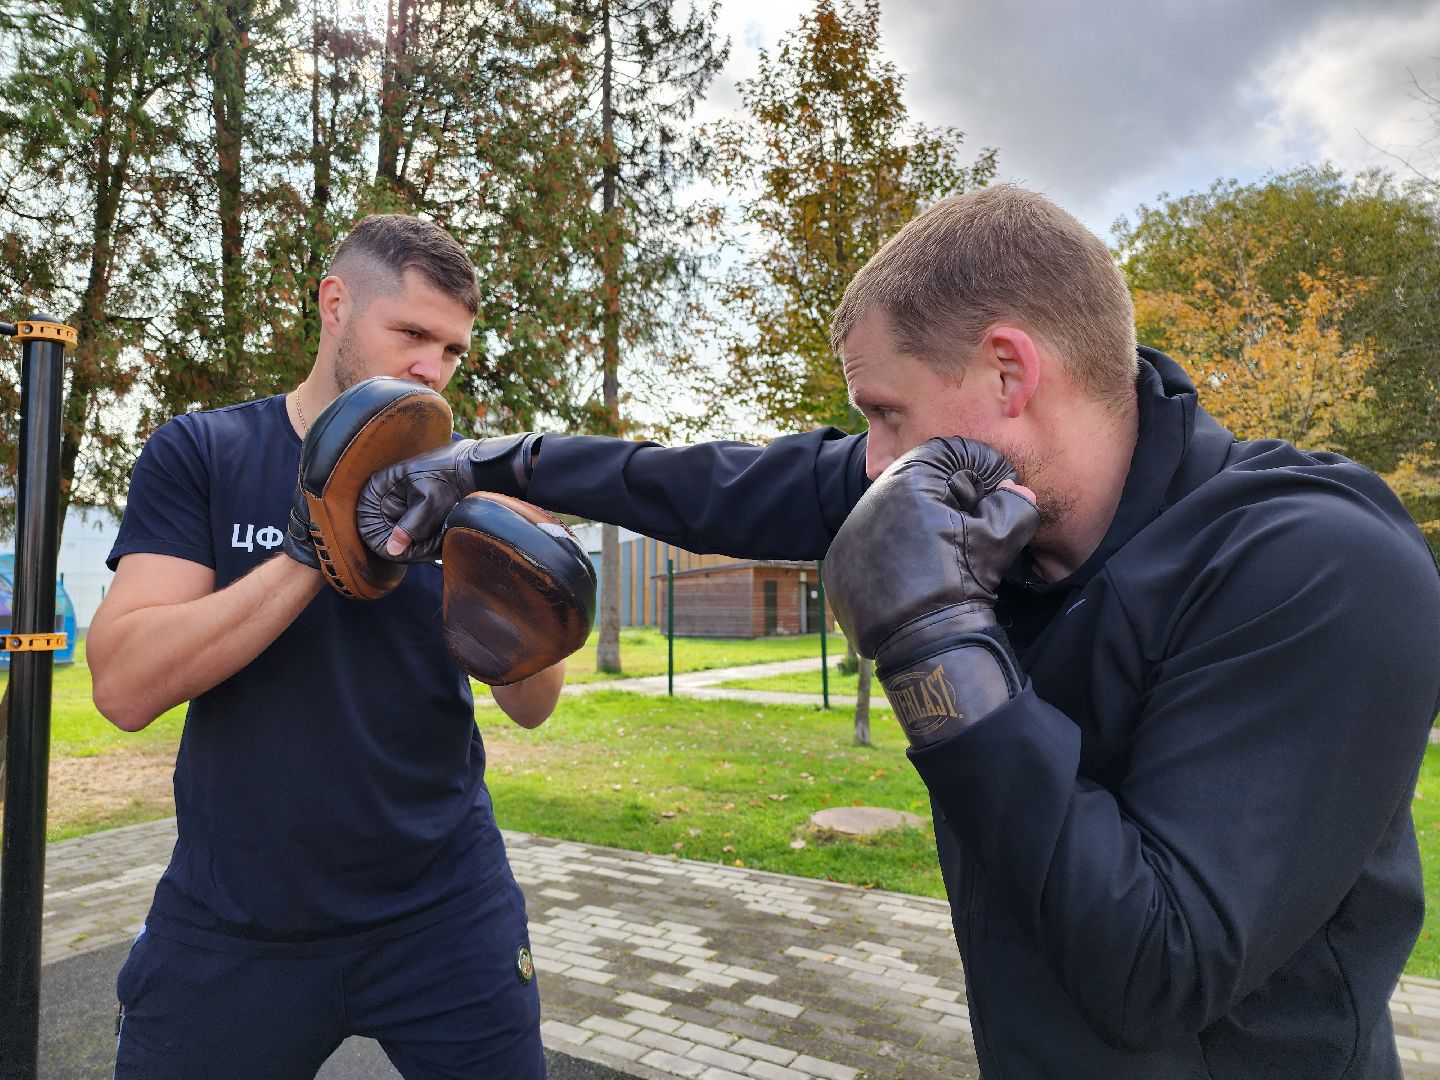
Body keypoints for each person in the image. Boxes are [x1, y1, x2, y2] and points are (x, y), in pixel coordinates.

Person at [363, 185, 1440, 1078]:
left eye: (885, 413)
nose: (870, 462)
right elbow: (716, 482)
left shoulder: (1317, 568)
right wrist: (494, 461)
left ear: (1008, 373)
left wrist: (935, 641)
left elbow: (1154, 967)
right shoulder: (977, 490)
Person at [86, 214, 563, 1079]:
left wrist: (526, 594)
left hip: (445, 907)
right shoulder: (202, 451)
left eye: (452, 350)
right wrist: (318, 539)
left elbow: (531, 707)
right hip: (238, 915)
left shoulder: (462, 482)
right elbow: (122, 686)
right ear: (335, 305)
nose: (434, 368)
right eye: (413, 333)